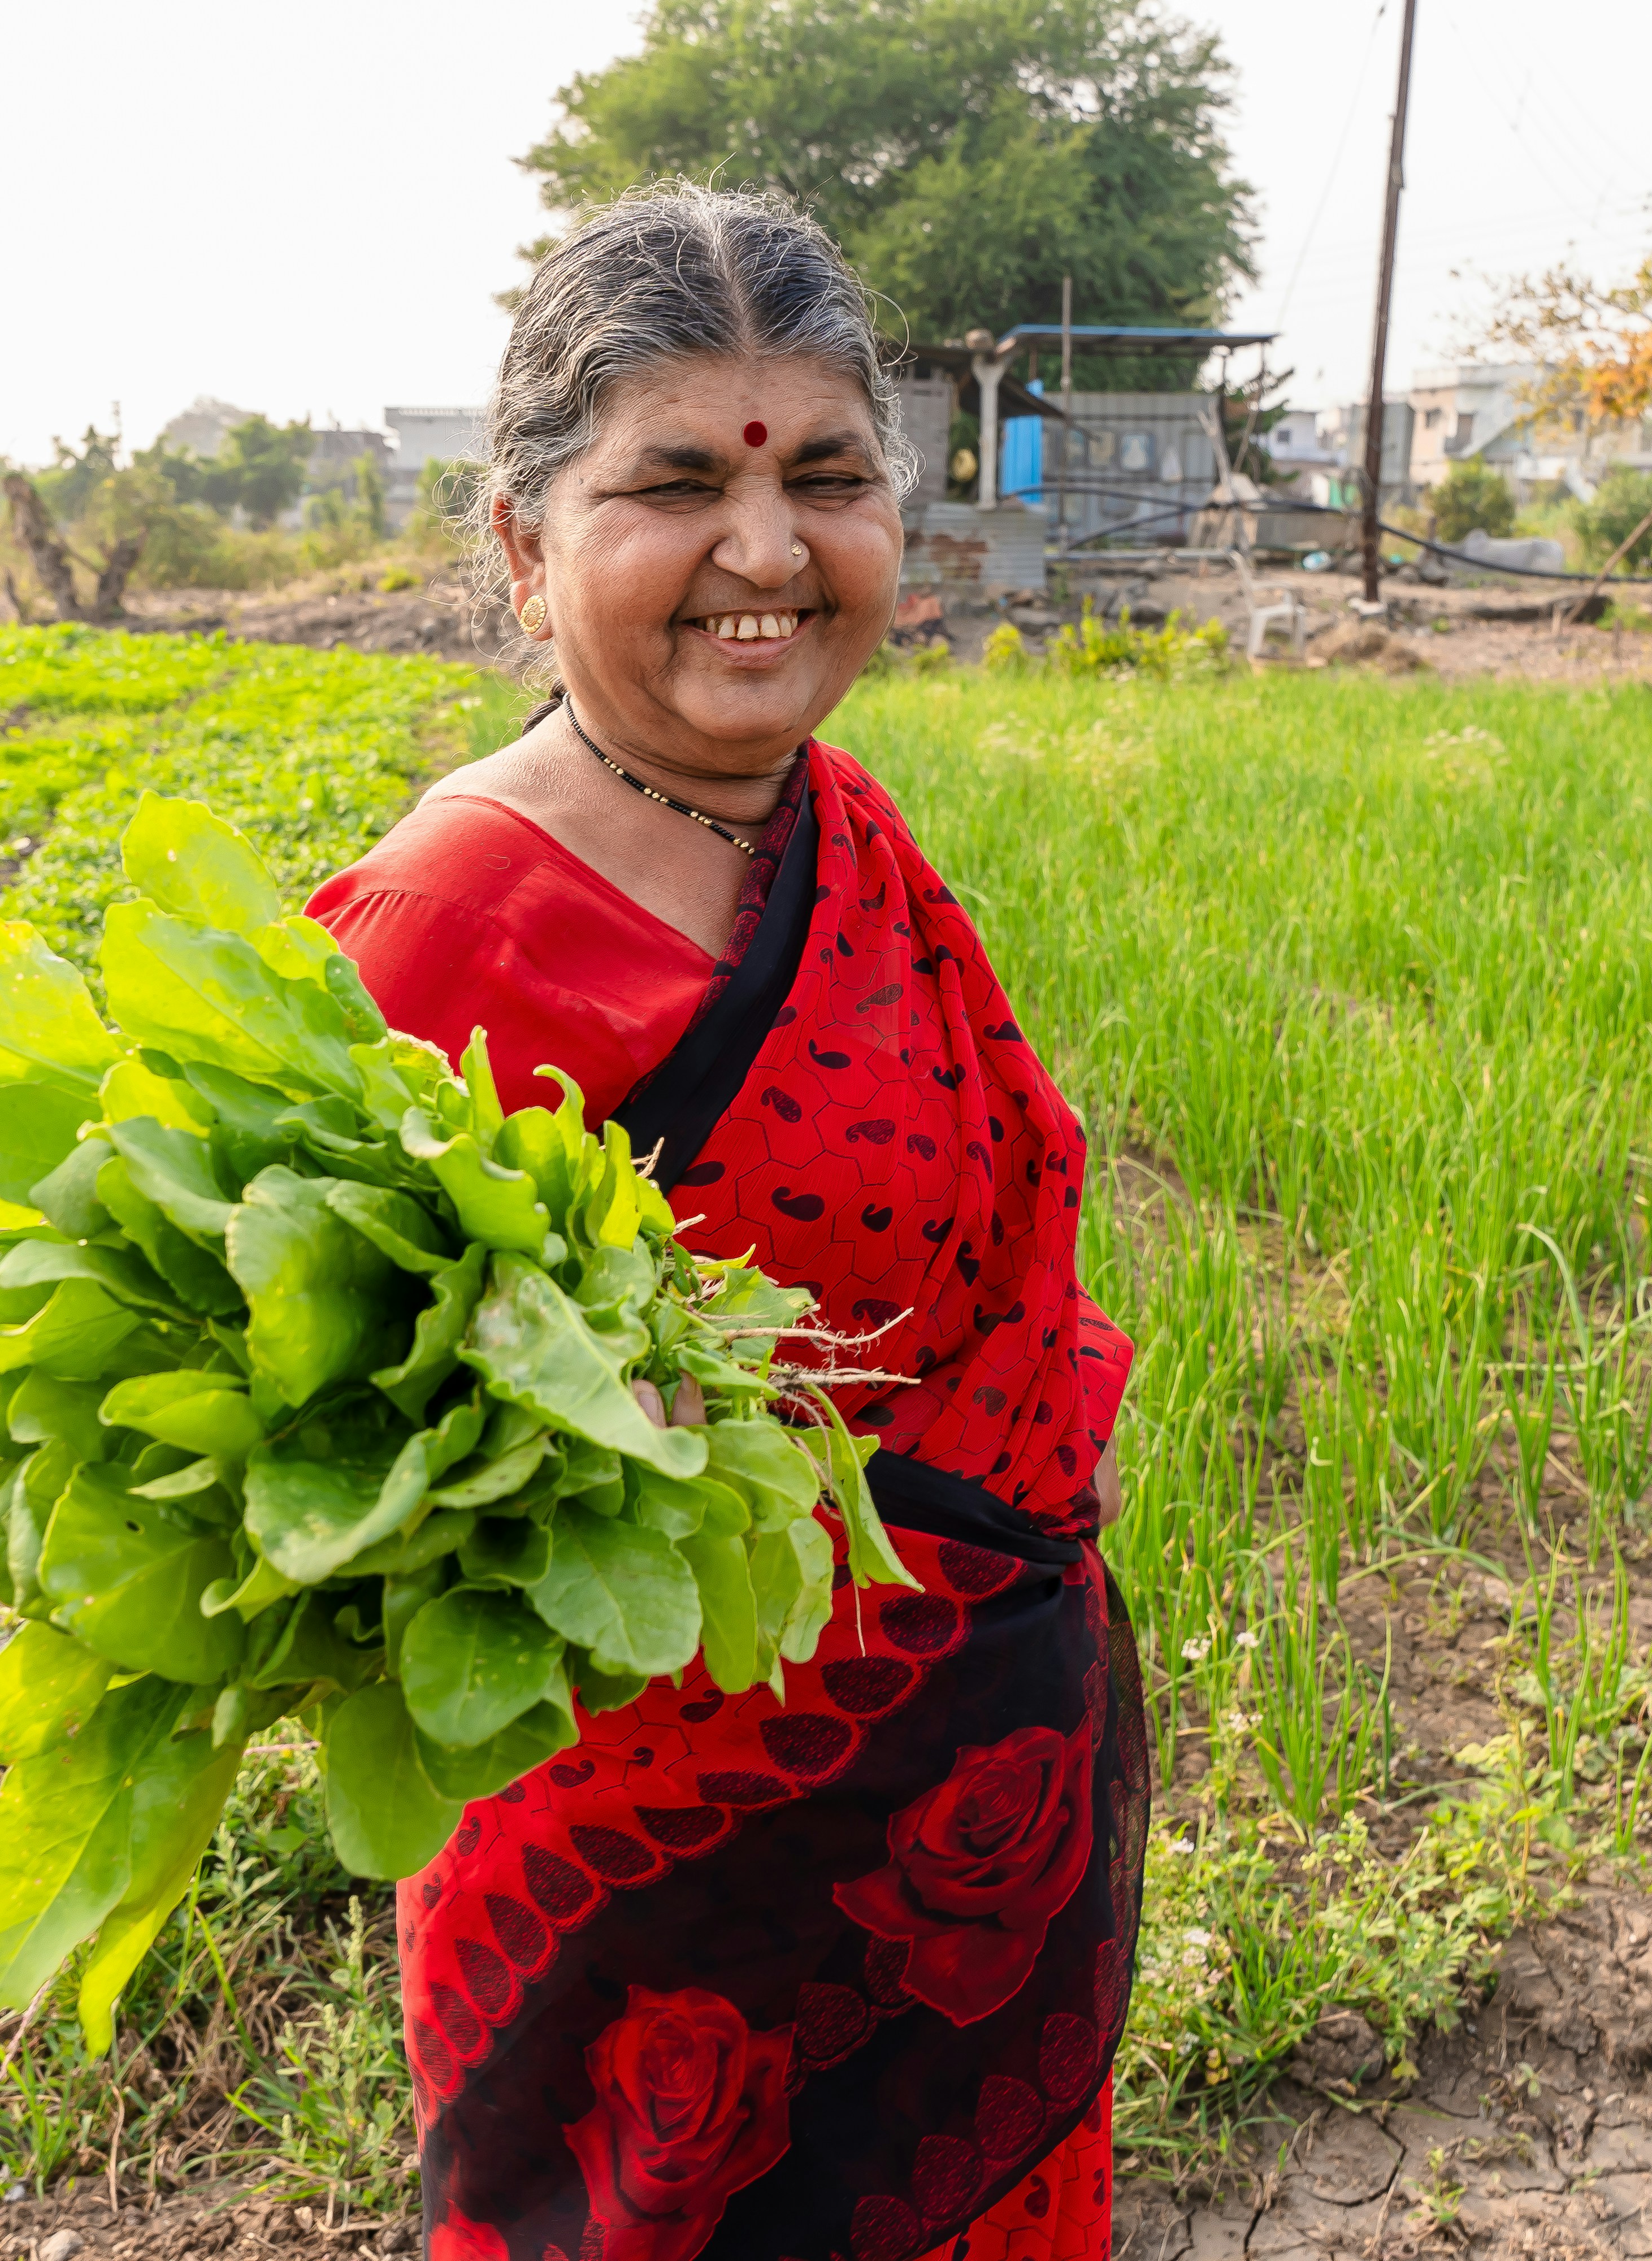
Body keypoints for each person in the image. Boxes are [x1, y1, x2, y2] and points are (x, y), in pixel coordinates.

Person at [306, 184, 1145, 2261]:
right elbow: (334, 1475)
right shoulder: (446, 931)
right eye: (673, 484)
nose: (769, 553)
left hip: (972, 1847)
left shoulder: (831, 824)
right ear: (522, 544)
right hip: (650, 1912)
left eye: (828, 481)